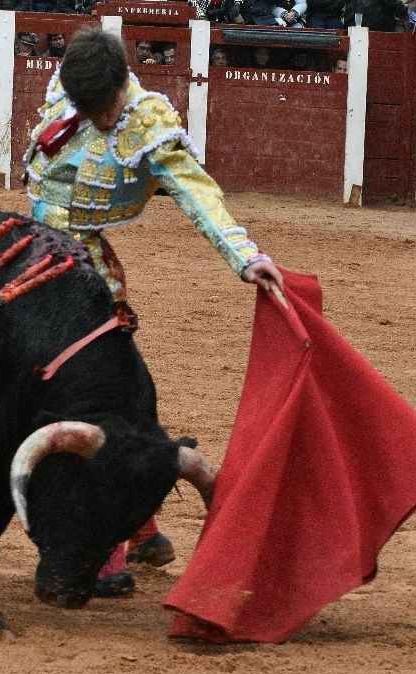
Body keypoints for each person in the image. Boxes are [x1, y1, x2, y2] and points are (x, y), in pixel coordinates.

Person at [23, 27, 284, 595]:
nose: (92, 118)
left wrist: (245, 256)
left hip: (84, 272)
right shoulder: (71, 86)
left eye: (101, 109)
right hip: (31, 254)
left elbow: (197, 192)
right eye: (84, 107)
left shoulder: (147, 124)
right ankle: (143, 530)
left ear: (121, 84)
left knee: (91, 394)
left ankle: (112, 545)